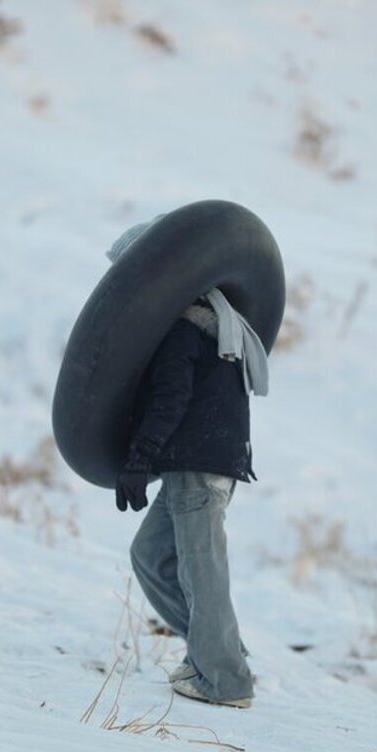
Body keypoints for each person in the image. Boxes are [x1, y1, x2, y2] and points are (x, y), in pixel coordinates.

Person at [107, 221, 270, 709]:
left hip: (199, 466)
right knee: (151, 555)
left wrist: (138, 462)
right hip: (207, 462)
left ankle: (224, 680)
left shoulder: (182, 329)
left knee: (202, 568)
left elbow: (170, 400)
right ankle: (217, 650)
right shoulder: (213, 323)